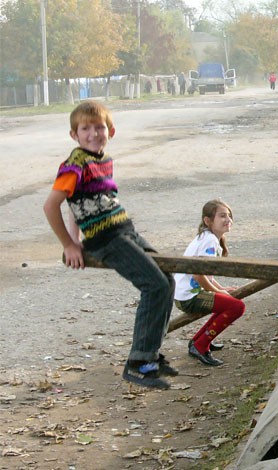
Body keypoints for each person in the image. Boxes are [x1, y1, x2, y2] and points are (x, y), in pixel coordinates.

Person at [43, 101, 176, 390]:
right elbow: (52, 204)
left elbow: (76, 203)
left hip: (125, 230)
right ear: (74, 135)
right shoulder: (74, 165)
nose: (93, 133)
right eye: (85, 129)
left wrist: (74, 236)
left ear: (111, 131)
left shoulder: (103, 159)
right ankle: (138, 364)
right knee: (155, 285)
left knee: (167, 279)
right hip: (107, 240)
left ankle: (151, 356)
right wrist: (70, 244)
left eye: (99, 127)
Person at [173, 199, 246, 367]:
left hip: (185, 293)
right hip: (188, 296)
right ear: (208, 221)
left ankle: (200, 340)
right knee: (236, 307)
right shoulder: (210, 241)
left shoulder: (209, 238)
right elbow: (198, 275)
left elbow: (207, 274)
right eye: (222, 216)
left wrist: (221, 289)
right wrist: (218, 292)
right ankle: (200, 345)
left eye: (229, 216)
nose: (228, 220)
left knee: (228, 304)